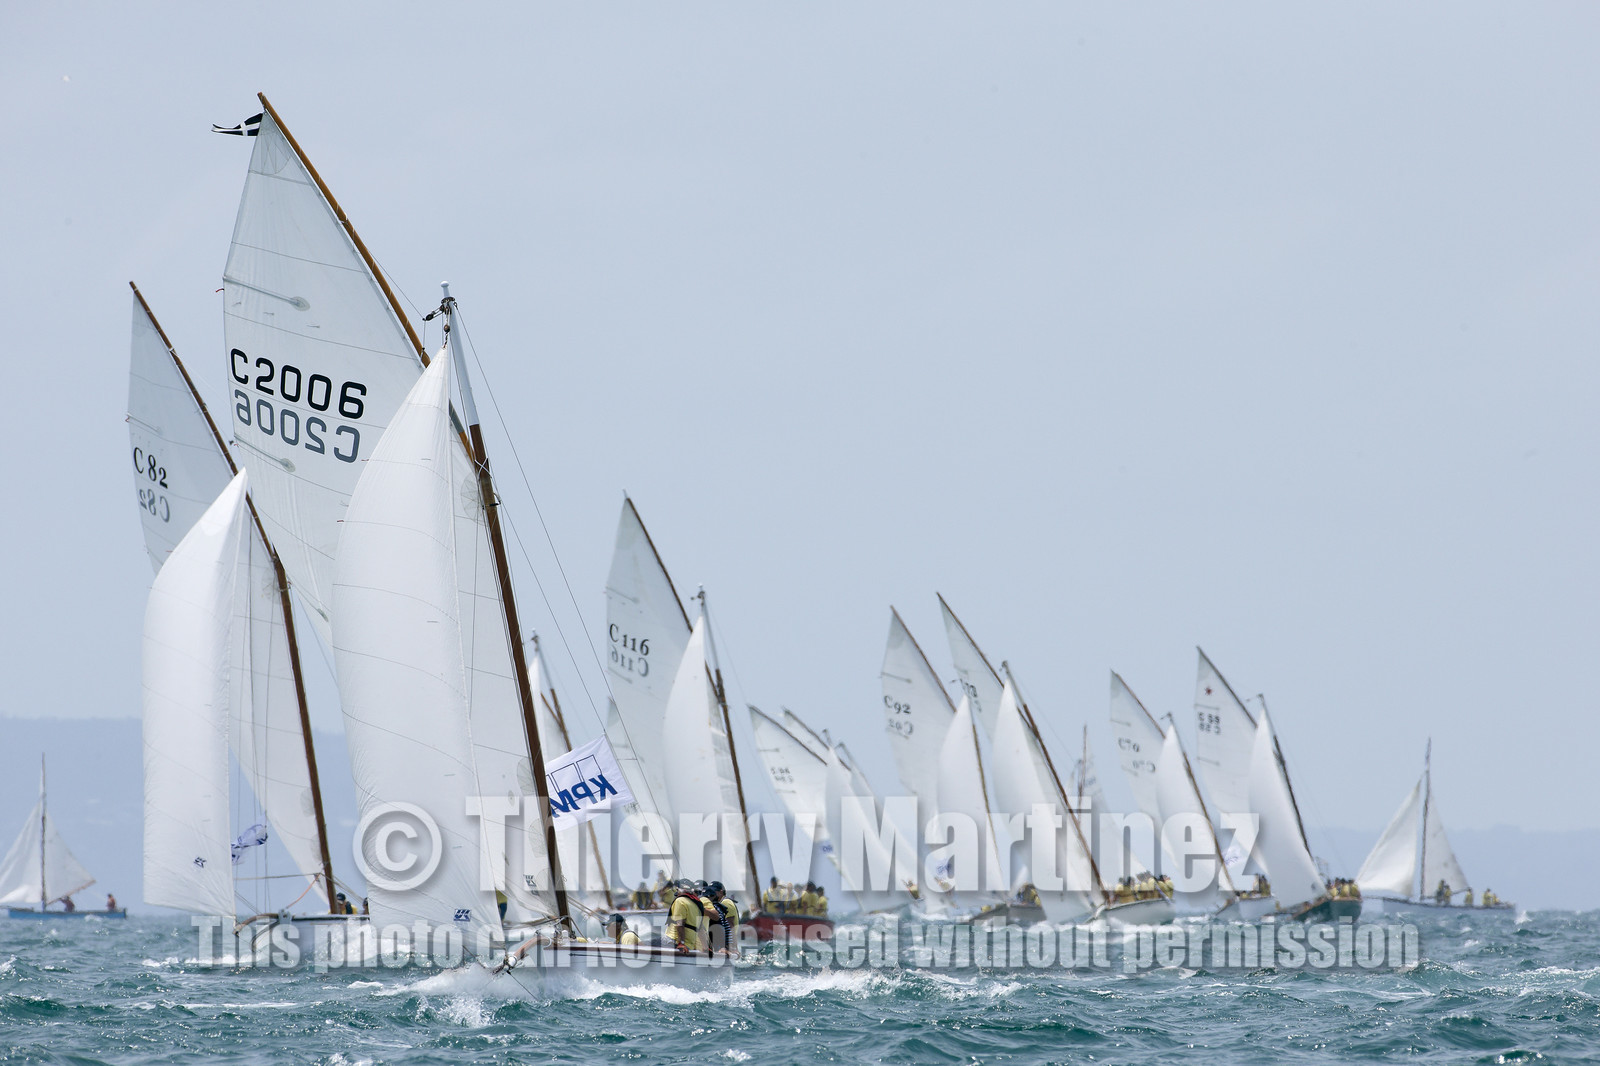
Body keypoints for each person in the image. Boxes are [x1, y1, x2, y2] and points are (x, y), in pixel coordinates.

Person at [665, 879, 704, 952]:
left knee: (644, 944)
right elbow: (701, 927)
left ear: (679, 889)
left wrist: (681, 943)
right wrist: (705, 946)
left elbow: (680, 924)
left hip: (674, 941)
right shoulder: (697, 904)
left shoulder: (680, 901)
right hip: (690, 945)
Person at [705, 881, 739, 955]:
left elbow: (730, 925)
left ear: (721, 892)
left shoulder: (725, 902)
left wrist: (732, 947)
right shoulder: (724, 902)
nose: (711, 893)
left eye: (714, 891)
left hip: (728, 943)